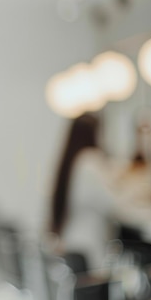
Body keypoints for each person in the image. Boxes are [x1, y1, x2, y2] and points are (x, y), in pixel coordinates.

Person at [49, 113, 119, 272]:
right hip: (87, 246)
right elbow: (109, 202)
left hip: (72, 240)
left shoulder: (74, 159)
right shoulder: (90, 160)